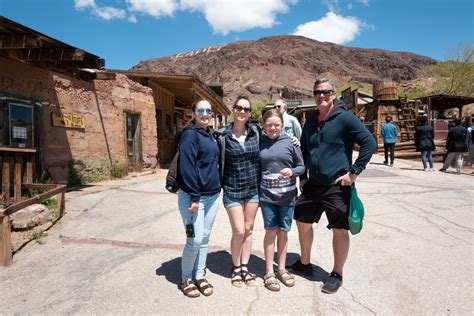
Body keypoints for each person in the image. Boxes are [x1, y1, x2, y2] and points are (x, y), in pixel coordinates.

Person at [288, 78, 376, 294]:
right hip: (313, 184)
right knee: (302, 220)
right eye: (317, 92)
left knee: (339, 229)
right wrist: (303, 176)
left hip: (337, 185)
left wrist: (353, 172)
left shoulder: (345, 118)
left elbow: (369, 143)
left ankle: (337, 274)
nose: (321, 96)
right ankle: (304, 263)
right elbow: (305, 150)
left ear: (334, 94)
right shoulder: (310, 122)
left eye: (326, 92)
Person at [177, 99, 221, 298]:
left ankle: (200, 274)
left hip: (212, 195)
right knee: (194, 239)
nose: (205, 114)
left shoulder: (211, 135)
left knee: (204, 238)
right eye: (201, 110)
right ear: (194, 113)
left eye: (208, 111)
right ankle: (186, 278)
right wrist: (195, 196)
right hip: (194, 197)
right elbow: (186, 167)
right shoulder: (189, 135)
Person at [216, 95, 260, 288]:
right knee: (239, 230)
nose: (242, 111)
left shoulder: (256, 133)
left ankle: (244, 267)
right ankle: (235, 267)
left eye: (246, 109)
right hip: (232, 190)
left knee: (249, 230)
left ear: (250, 114)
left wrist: (292, 138)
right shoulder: (221, 135)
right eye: (239, 108)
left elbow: (276, 134)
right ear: (233, 110)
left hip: (253, 190)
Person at [259, 109, 305, 292]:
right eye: (269, 124)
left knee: (283, 233)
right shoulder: (259, 141)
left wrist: (292, 171)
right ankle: (269, 271)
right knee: (271, 232)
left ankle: (282, 269)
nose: (273, 128)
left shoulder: (290, 142)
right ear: (264, 126)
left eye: (276, 125)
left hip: (287, 197)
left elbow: (302, 166)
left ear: (282, 125)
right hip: (267, 196)